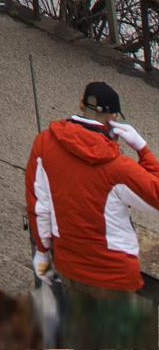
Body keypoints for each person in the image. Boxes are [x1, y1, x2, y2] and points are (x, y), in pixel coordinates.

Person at [27, 79, 159, 349]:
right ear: (112, 119)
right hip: (115, 278)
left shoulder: (43, 144)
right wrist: (143, 150)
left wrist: (42, 253)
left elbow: (39, 207)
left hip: (71, 267)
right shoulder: (118, 169)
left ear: (80, 104)